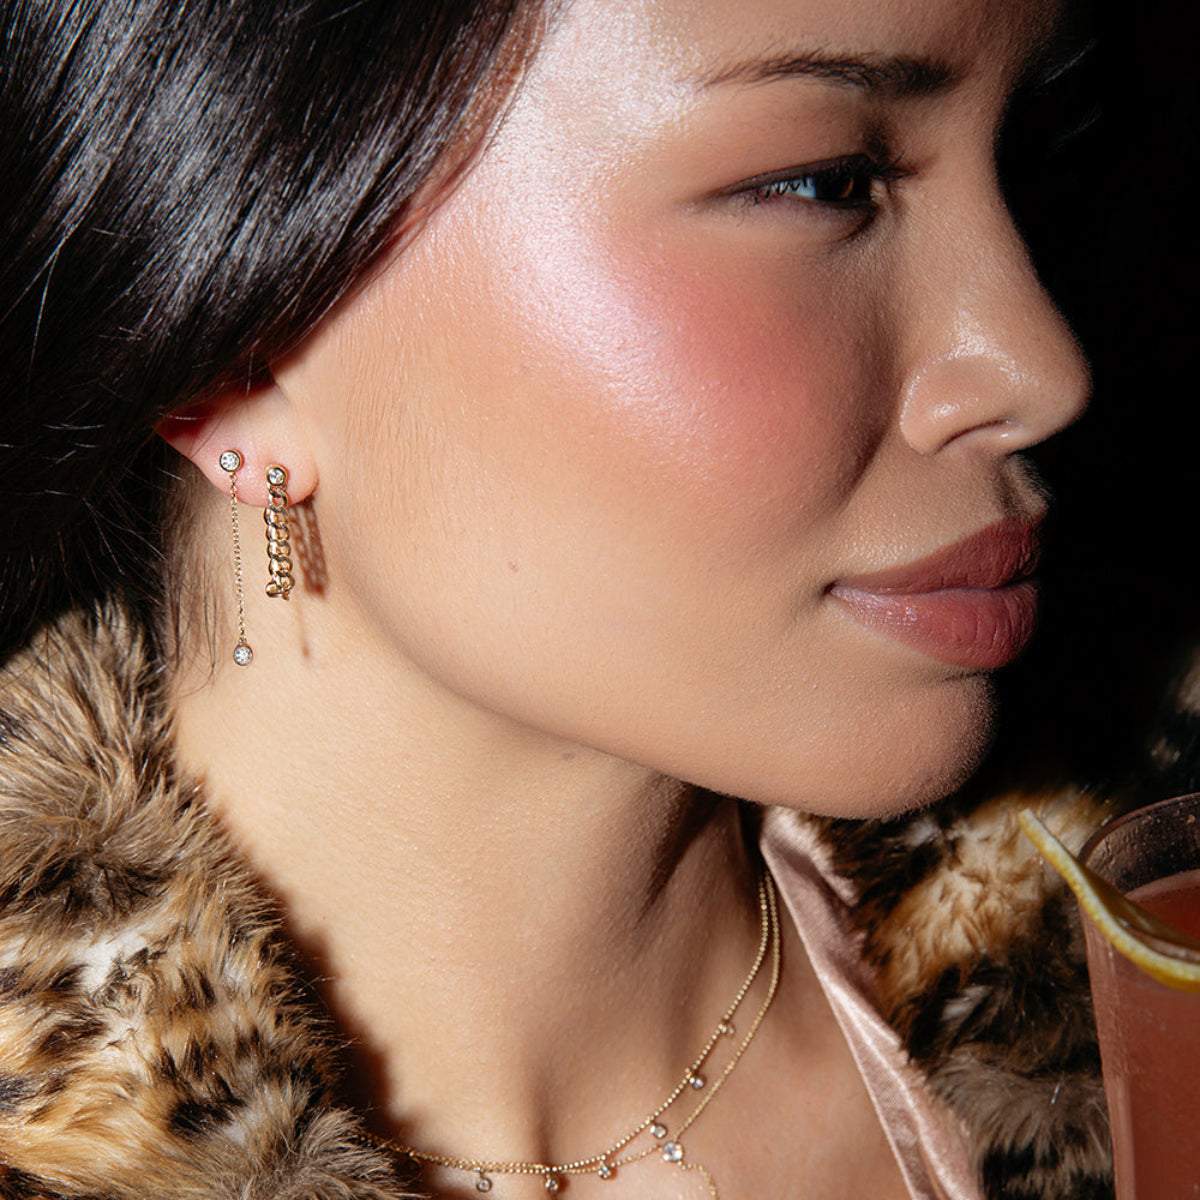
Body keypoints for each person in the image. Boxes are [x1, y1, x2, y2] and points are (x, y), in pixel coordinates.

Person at [0, 0, 1112, 1197]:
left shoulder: (1146, 965)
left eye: (1032, 152)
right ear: (249, 345)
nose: (1039, 365)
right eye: (824, 182)